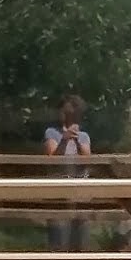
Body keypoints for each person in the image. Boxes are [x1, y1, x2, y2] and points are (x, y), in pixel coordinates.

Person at [43, 90, 93, 249]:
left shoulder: (84, 136)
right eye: (64, 112)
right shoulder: (52, 133)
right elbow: (52, 158)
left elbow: (87, 160)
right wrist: (64, 140)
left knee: (81, 231)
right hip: (58, 190)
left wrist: (77, 140)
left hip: (80, 191)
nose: (66, 115)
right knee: (58, 233)